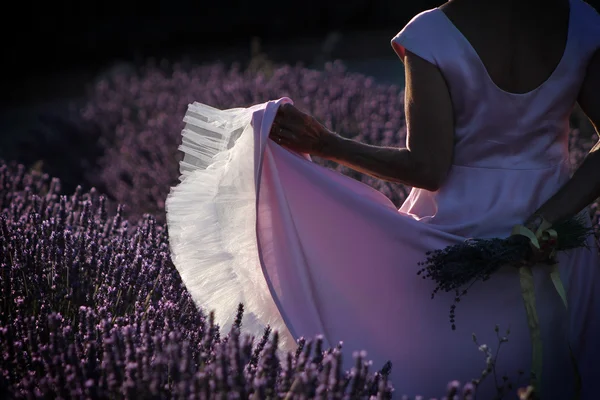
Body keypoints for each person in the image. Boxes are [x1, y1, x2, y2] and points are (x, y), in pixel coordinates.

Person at [166, 0, 600, 398]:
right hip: (557, 243)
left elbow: (429, 168)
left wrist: (327, 144)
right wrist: (546, 219)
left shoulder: (432, 34)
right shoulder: (581, 20)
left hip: (458, 243)